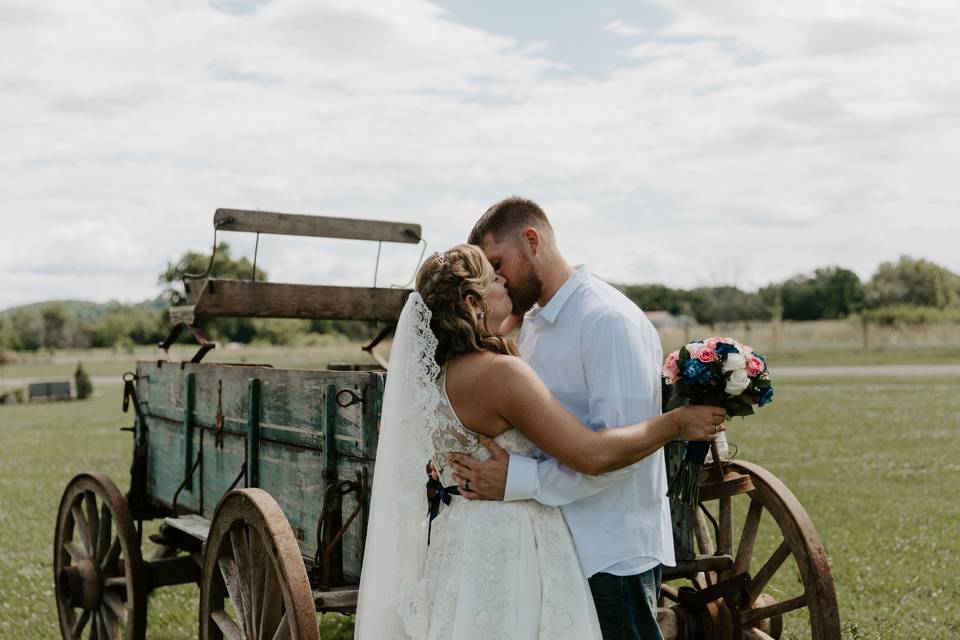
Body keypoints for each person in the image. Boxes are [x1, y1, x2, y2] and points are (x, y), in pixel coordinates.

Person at [354, 243, 725, 639]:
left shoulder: (433, 377)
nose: (506, 284)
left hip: (457, 538)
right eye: (495, 279)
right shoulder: (502, 375)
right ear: (471, 302)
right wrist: (674, 425)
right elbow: (591, 453)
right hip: (510, 542)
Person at [448, 196, 677, 640]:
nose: (495, 279)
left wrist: (518, 480)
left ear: (532, 241)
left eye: (498, 263)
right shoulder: (534, 323)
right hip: (555, 549)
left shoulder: (606, 322)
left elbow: (618, 454)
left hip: (609, 554)